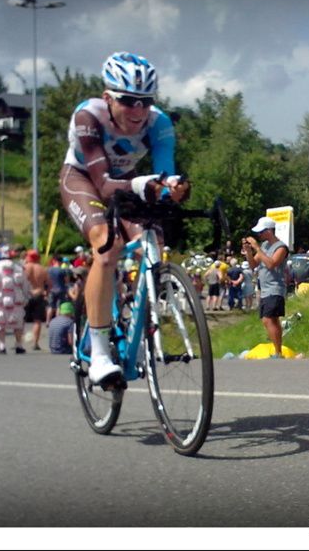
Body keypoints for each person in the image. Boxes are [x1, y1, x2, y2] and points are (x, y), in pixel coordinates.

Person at [59, 52, 190, 384]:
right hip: (83, 178)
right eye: (128, 100)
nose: (138, 110)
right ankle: (100, 353)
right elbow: (102, 185)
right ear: (108, 98)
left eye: (145, 101)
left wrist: (173, 188)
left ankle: (132, 308)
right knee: (106, 244)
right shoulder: (88, 117)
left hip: (127, 179)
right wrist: (145, 185)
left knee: (154, 242)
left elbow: (164, 175)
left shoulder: (159, 123)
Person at [242, 216, 289, 358]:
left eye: (261, 232)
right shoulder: (264, 246)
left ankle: (278, 352)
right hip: (265, 289)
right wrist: (249, 252)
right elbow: (253, 265)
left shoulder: (281, 247)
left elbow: (271, 264)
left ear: (269, 231)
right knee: (270, 320)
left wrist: (256, 247)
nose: (259, 235)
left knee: (268, 319)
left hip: (275, 288)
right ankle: (277, 351)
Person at [22, 249, 49, 350]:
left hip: (27, 294)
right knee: (37, 320)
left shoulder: (25, 268)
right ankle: (35, 343)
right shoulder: (42, 269)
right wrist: (47, 293)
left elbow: (20, 281)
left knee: (21, 319)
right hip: (39, 294)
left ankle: (19, 341)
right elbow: (49, 284)